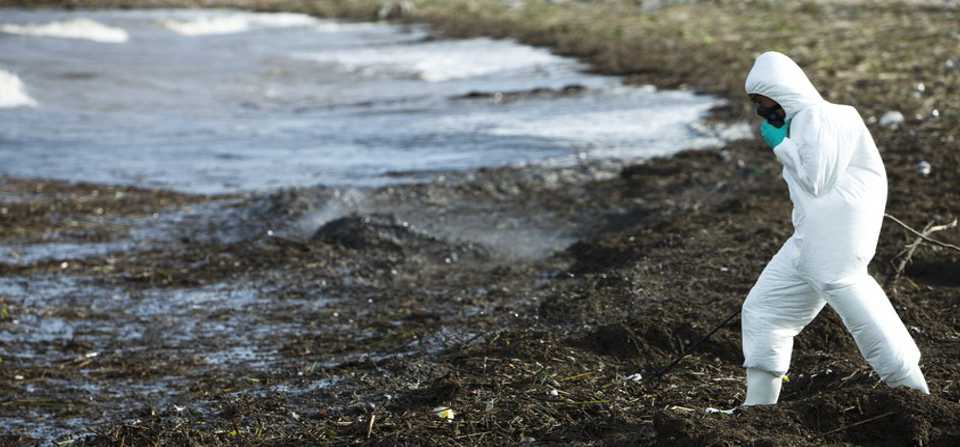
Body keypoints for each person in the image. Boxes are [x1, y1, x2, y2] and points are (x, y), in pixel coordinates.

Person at [740, 51, 930, 405]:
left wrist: (780, 144)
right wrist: (787, 139)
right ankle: (758, 409)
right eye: (755, 103)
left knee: (863, 314)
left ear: (782, 91)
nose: (761, 110)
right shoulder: (802, 122)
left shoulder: (823, 116)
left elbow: (816, 179)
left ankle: (916, 394)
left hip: (839, 244)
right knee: (764, 311)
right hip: (810, 241)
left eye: (763, 100)